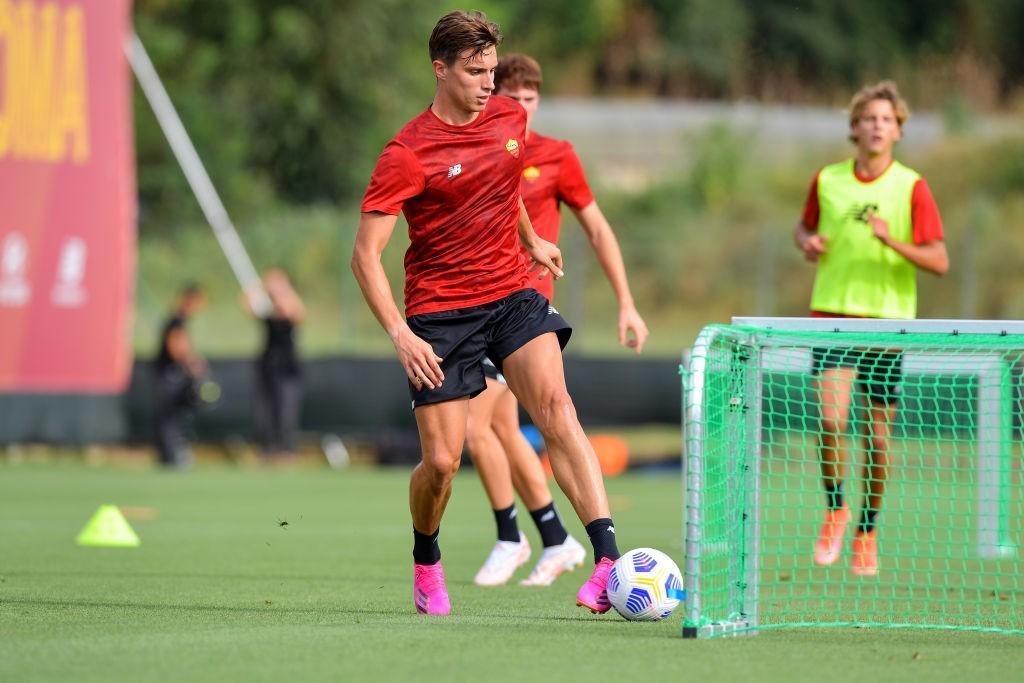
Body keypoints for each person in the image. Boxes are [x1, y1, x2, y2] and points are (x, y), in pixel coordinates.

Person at [352, 10, 622, 616]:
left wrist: (530, 240)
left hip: (512, 295)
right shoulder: (407, 151)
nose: (487, 84)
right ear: (439, 68)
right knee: (443, 462)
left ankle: (605, 560)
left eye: (492, 70)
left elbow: (502, 190)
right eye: (475, 72)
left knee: (556, 408)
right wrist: (399, 334)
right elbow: (364, 258)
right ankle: (426, 558)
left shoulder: (509, 116)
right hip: (440, 314)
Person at [467, 54, 649, 588]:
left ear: (538, 102)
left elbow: (597, 229)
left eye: (529, 99)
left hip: (524, 304)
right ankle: (550, 538)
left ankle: (522, 537)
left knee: (493, 426)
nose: (519, 108)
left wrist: (627, 302)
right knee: (497, 427)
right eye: (511, 98)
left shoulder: (554, 155)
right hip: (475, 301)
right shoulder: (481, 146)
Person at [794, 81, 948, 576]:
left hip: (887, 325)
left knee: (878, 439)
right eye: (869, 118)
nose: (877, 126)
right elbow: (803, 228)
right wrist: (808, 242)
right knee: (832, 421)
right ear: (855, 127)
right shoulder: (828, 179)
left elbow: (939, 259)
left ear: (899, 129)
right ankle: (836, 507)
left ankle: (867, 528)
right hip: (833, 317)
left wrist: (892, 241)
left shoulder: (912, 186)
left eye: (887, 119)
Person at [244, 268, 305, 459]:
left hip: (287, 364)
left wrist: (281, 290)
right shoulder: (266, 307)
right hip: (268, 362)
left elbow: (296, 312)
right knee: (265, 408)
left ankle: (286, 449)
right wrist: (260, 287)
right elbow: (247, 306)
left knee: (286, 408)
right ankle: (266, 449)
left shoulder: (289, 303)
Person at [153, 283, 208, 468]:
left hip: (171, 375)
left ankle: (172, 453)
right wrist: (191, 363)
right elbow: (175, 347)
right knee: (170, 417)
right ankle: (170, 455)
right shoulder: (177, 321)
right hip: (169, 375)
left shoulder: (179, 320)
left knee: (174, 416)